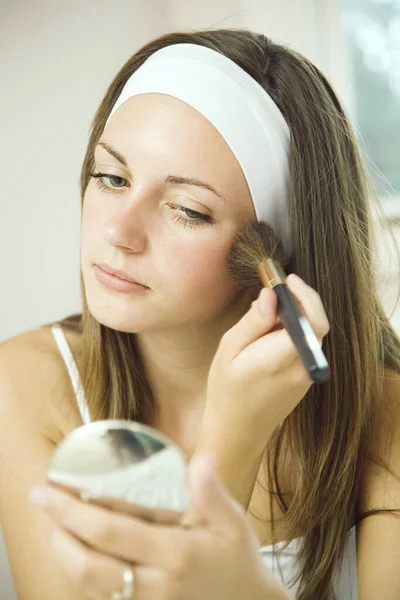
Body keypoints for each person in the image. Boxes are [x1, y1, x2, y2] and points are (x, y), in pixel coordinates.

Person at [1, 27, 400, 600]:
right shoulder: (28, 383)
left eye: (187, 210)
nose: (118, 231)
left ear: (272, 253)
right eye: (111, 178)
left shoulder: (384, 415)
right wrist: (227, 446)